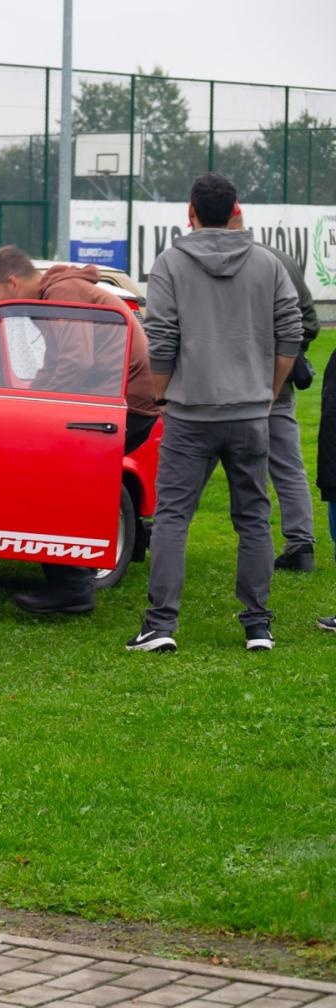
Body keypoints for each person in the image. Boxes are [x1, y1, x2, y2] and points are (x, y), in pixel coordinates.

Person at [127, 173, 301, 654]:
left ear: (191, 212)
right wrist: (269, 390)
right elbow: (291, 330)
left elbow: (160, 338)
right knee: (253, 519)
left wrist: (162, 395)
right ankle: (258, 626)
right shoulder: (267, 262)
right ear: (235, 208)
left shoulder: (170, 263)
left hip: (189, 413)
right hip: (249, 414)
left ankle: (161, 623)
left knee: (172, 519)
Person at [0, 246, 160, 615]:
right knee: (72, 482)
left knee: (60, 482)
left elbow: (78, 361)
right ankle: (72, 582)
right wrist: (26, 401)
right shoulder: (58, 294)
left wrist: (42, 412)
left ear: (13, 283)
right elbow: (56, 363)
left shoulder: (63, 293)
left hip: (126, 405)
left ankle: (72, 587)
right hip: (125, 401)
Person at [227, 206, 321, 572]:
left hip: (234, 384)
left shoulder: (227, 262)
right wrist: (285, 354)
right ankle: (301, 545)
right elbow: (309, 322)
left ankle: (163, 533)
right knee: (287, 465)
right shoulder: (280, 259)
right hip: (273, 381)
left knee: (194, 462)